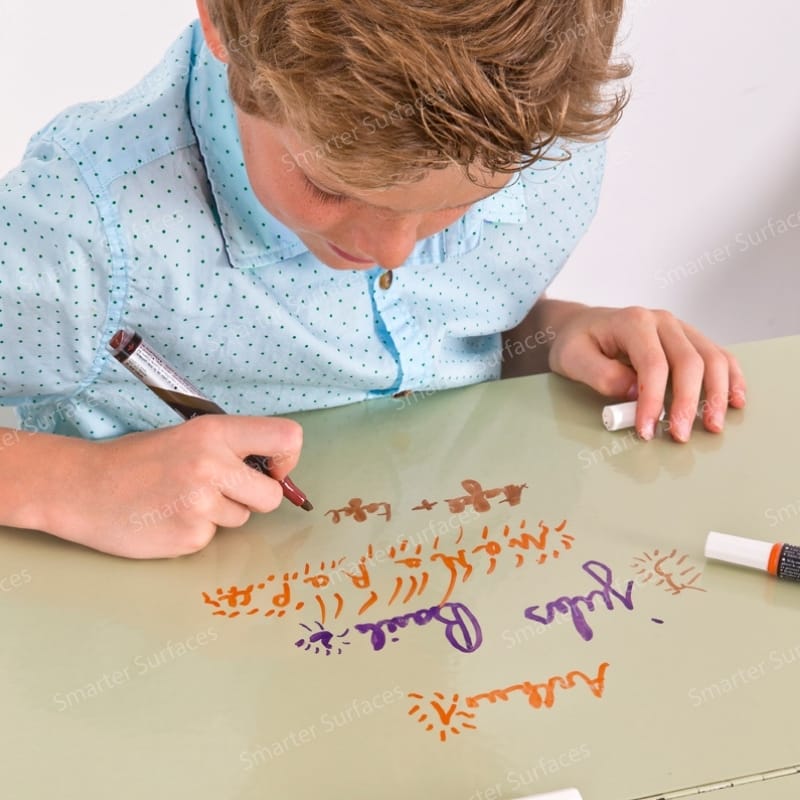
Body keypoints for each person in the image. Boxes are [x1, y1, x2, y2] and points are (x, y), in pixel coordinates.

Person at [0, 0, 745, 558]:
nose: (392, 251)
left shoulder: (544, 127)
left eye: (459, 202)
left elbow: (441, 330)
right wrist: (71, 484)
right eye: (331, 188)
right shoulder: (80, 221)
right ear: (224, 21)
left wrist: (552, 334)